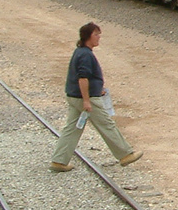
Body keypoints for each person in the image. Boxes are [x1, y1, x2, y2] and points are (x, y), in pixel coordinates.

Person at [50, 22, 142, 171]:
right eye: (96, 34)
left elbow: (85, 79)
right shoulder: (86, 55)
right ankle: (125, 154)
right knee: (106, 125)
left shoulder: (80, 52)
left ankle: (59, 161)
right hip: (85, 99)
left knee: (72, 129)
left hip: (75, 96)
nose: (99, 37)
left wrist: (98, 89)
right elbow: (83, 78)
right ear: (88, 36)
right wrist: (87, 100)